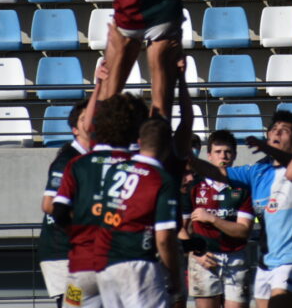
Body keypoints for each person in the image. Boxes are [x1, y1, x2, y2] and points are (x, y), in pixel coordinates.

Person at [191, 111, 292, 308]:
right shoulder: (258, 172)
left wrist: (265, 147)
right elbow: (215, 173)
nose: (277, 133)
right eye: (274, 129)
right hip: (266, 263)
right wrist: (183, 156)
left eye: (284, 130)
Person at [53, 95, 149, 308]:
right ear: (136, 130)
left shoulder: (77, 164)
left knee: (72, 303)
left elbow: (58, 213)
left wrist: (81, 237)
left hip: (81, 271)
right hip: (125, 269)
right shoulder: (143, 170)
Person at [93, 118, 184, 308]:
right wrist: (175, 276)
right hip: (138, 263)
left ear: (139, 142)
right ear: (168, 146)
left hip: (106, 262)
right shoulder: (162, 179)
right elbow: (164, 238)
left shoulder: (114, 169)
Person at [182, 130, 254, 308]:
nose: (224, 156)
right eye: (218, 152)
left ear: (235, 155)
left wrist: (212, 219)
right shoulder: (194, 186)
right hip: (204, 257)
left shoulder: (243, 187)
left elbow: (243, 231)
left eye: (228, 152)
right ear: (209, 155)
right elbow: (180, 228)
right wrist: (195, 252)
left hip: (236, 258)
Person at [38, 102, 92, 308]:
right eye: (84, 118)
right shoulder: (67, 160)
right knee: (73, 304)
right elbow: (49, 204)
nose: (90, 121)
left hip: (80, 251)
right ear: (75, 129)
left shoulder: (93, 158)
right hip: (62, 253)